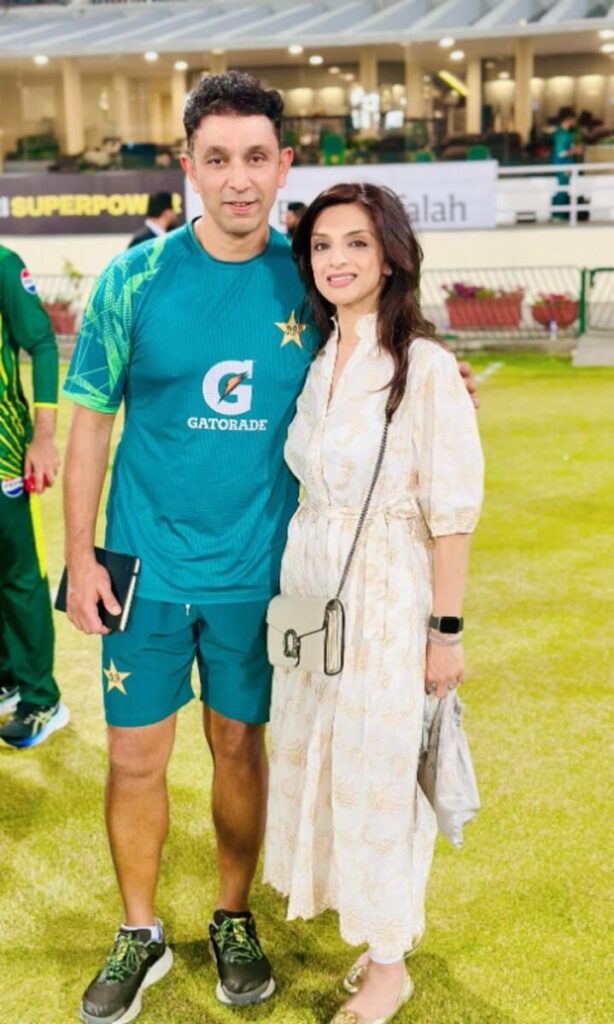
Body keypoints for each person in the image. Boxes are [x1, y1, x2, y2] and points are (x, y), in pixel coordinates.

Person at [61, 71, 478, 1024]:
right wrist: (80, 558)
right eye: (217, 159)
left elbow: (382, 354)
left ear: (284, 163)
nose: (238, 178)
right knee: (134, 758)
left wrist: (440, 377)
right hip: (141, 570)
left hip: (264, 580)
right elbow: (88, 424)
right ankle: (138, 933)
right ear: (189, 166)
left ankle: (233, 917)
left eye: (256, 157)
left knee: (242, 749)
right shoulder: (134, 278)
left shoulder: (308, 278)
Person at [263, 183, 484, 1024]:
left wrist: (445, 632)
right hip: (312, 593)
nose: (337, 260)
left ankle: (390, 963)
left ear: (389, 255)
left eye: (356, 242)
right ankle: (361, 924)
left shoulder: (423, 367)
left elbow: (451, 510)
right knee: (324, 765)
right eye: (322, 245)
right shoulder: (320, 359)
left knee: (380, 774)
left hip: (388, 597)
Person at [0, 245, 68, 748]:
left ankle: (41, 698)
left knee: (20, 576)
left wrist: (43, 438)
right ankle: (6, 677)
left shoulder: (2, 264)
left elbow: (42, 344)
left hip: (2, 453)